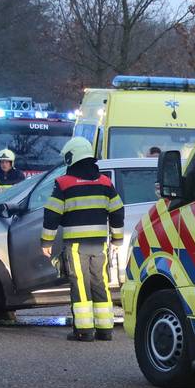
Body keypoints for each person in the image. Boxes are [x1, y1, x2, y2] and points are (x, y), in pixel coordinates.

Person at [41, 138, 124, 341]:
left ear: (73, 156)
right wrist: (117, 240)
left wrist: (46, 242)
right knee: (100, 282)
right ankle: (105, 330)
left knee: (80, 284)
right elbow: (117, 211)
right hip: (99, 244)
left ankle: (84, 330)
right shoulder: (105, 182)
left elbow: (52, 214)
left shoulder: (63, 183)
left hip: (76, 244)